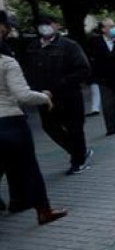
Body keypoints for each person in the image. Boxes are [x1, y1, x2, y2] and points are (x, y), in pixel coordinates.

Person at [1, 11, 69, 225]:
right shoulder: (7, 62)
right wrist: (45, 97)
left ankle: (16, 200)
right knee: (29, 167)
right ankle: (43, 210)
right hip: (10, 122)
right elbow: (22, 95)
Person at [22, 14, 93, 174]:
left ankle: (78, 161)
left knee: (74, 128)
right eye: (40, 25)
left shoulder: (69, 45)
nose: (44, 27)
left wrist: (58, 85)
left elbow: (83, 69)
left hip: (69, 96)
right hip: (44, 98)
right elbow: (27, 72)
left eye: (47, 24)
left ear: (56, 25)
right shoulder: (33, 48)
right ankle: (79, 153)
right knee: (50, 127)